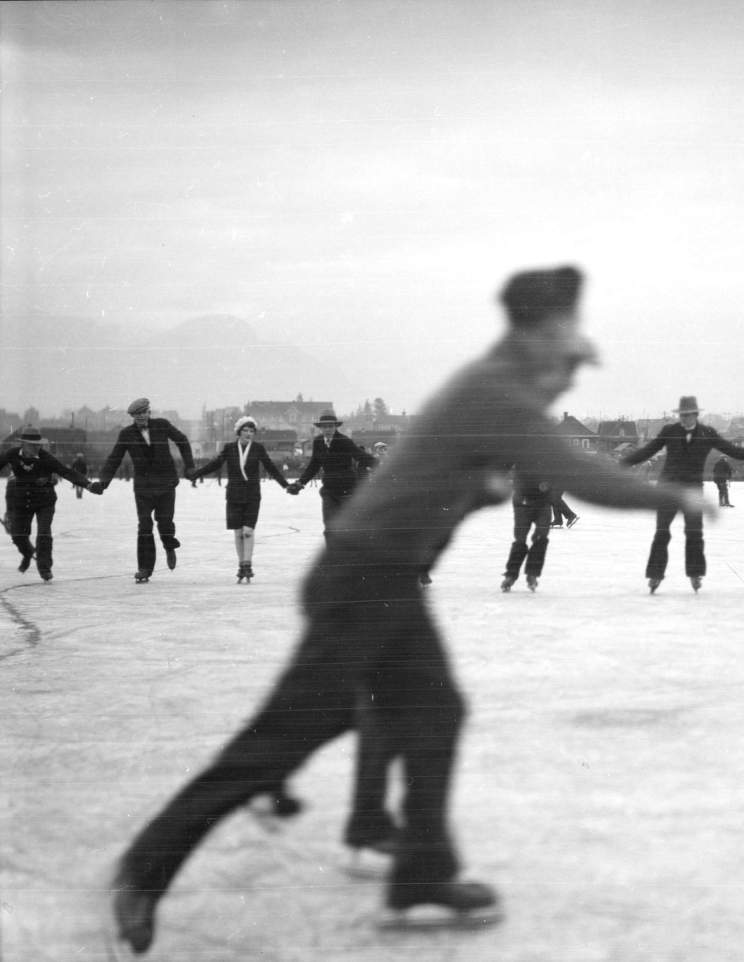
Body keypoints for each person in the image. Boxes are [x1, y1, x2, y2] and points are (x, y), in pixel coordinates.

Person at [109, 264, 710, 957]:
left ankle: (422, 876)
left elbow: (465, 471)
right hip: (363, 580)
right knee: (282, 738)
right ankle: (143, 870)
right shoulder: (498, 393)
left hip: (381, 580)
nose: (571, 375)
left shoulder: (491, 386)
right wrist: (679, 499)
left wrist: (475, 484)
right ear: (541, 333)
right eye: (568, 347)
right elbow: (580, 474)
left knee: (434, 712)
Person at [621, 396, 744, 592]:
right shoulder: (670, 431)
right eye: (682, 415)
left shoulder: (707, 433)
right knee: (662, 532)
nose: (685, 419)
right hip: (668, 488)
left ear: (696, 414)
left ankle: (695, 573)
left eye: (688, 415)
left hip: (693, 489)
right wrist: (621, 463)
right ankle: (655, 574)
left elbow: (732, 449)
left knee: (694, 533)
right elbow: (648, 451)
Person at [95, 399, 195, 583]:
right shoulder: (127, 434)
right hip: (143, 488)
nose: (141, 416)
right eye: (137, 414)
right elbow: (114, 458)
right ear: (132, 416)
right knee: (144, 526)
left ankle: (168, 544)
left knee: (164, 523)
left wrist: (190, 467)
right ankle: (145, 568)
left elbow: (182, 440)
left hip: (165, 484)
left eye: (144, 412)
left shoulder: (162, 425)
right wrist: (103, 482)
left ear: (149, 412)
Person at [189, 417, 290, 583]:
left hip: (252, 494)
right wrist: (197, 474)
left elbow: (270, 467)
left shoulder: (258, 448)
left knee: (248, 531)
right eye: (245, 430)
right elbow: (215, 464)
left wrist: (286, 485)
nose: (248, 434)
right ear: (239, 432)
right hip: (234, 494)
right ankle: (241, 564)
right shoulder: (230, 448)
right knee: (238, 532)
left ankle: (247, 564)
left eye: (251, 431)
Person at [0, 427, 97, 581]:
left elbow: (66, 472)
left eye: (38, 444)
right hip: (22, 500)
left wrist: (88, 485)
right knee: (18, 535)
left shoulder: (46, 458)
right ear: (23, 444)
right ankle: (28, 552)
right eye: (32, 444)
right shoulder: (12, 454)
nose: (37, 447)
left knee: (44, 533)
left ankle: (44, 568)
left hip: (44, 501)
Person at [287, 411, 377, 542]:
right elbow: (314, 464)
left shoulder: (344, 441)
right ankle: (333, 556)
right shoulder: (318, 442)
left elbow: (361, 456)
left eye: (330, 426)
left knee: (349, 526)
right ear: (320, 428)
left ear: (336, 427)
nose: (328, 429)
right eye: (324, 427)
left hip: (347, 489)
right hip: (329, 490)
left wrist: (384, 468)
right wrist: (300, 483)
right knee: (329, 528)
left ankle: (351, 556)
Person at [500, 470, 555, 591]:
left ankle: (533, 574)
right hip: (523, 503)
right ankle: (511, 575)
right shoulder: (524, 457)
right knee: (520, 539)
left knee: (541, 537)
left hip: (543, 504)